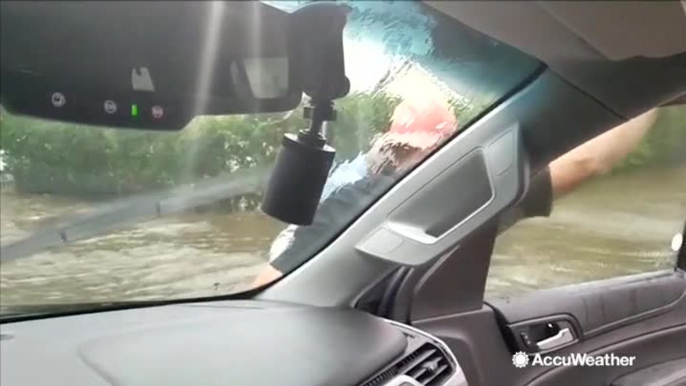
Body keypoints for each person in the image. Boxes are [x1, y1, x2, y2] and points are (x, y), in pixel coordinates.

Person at [252, 97, 659, 287]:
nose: (409, 159)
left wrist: (650, 91)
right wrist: (648, 91)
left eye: (419, 149)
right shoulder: (463, 190)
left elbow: (590, 161)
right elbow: (271, 288)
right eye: (403, 150)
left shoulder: (470, 191)